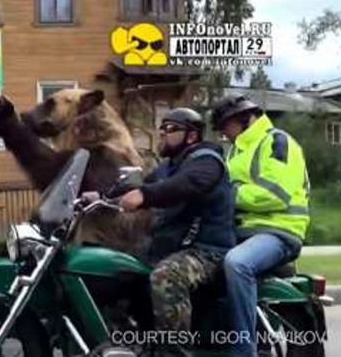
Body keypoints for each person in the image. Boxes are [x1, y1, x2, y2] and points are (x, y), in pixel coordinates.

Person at [112, 108, 236, 357]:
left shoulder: (207, 160)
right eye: (162, 129)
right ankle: (132, 340)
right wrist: (100, 195)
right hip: (175, 246)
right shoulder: (169, 167)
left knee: (166, 277)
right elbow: (141, 185)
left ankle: (173, 352)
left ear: (191, 136)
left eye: (170, 129)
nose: (162, 134)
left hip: (207, 250)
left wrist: (145, 196)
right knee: (118, 267)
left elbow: (190, 183)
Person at [210, 95, 310, 357]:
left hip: (277, 231)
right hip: (241, 231)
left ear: (244, 118)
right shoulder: (236, 150)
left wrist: (228, 195)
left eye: (224, 125)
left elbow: (277, 193)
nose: (222, 132)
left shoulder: (277, 141)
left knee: (237, 263)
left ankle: (243, 350)